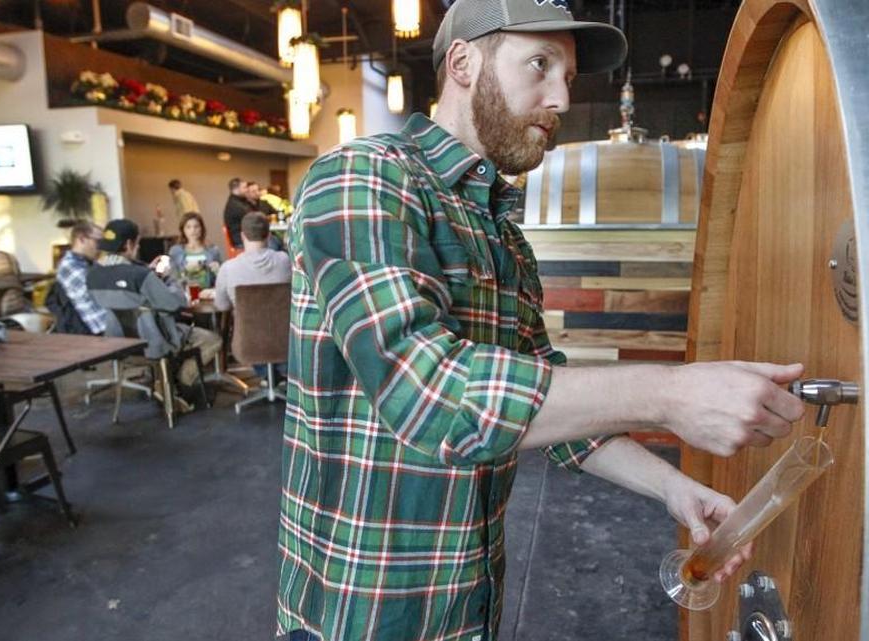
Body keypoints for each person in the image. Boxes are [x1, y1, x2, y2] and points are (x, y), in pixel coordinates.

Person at [276, 1, 807, 639]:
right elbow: (429, 394)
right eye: (539, 64)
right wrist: (669, 393)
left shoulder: (500, 233)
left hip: (467, 602)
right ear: (464, 62)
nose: (560, 97)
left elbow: (553, 413)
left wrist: (671, 487)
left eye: (570, 77)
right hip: (357, 606)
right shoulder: (363, 176)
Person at [86, 219, 221, 397]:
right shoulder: (140, 275)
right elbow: (174, 305)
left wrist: (149, 276)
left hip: (118, 342)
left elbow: (123, 296)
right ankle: (180, 383)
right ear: (129, 244)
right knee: (212, 340)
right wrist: (168, 279)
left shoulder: (92, 274)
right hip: (154, 341)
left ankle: (161, 379)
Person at [213, 212, 291, 381]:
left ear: (242, 235)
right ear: (269, 235)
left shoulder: (228, 268)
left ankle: (267, 376)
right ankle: (277, 375)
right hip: (286, 342)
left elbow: (221, 306)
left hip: (248, 344)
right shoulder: (285, 261)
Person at [50, 221, 107, 335]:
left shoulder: (87, 263)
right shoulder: (70, 266)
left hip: (105, 325)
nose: (101, 248)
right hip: (97, 330)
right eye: (98, 242)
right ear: (81, 239)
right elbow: (101, 292)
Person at [167, 212, 223, 290]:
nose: (193, 230)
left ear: (202, 228)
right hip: (185, 294)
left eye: (196, 226)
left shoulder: (213, 251)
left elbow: (222, 280)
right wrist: (185, 270)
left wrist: (218, 271)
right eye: (188, 227)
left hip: (208, 293)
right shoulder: (176, 251)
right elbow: (172, 279)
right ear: (183, 230)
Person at [223, 177, 252, 249]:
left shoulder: (240, 201)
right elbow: (253, 219)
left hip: (244, 237)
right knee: (272, 244)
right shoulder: (235, 205)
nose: (247, 190)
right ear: (236, 189)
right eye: (244, 187)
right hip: (240, 241)